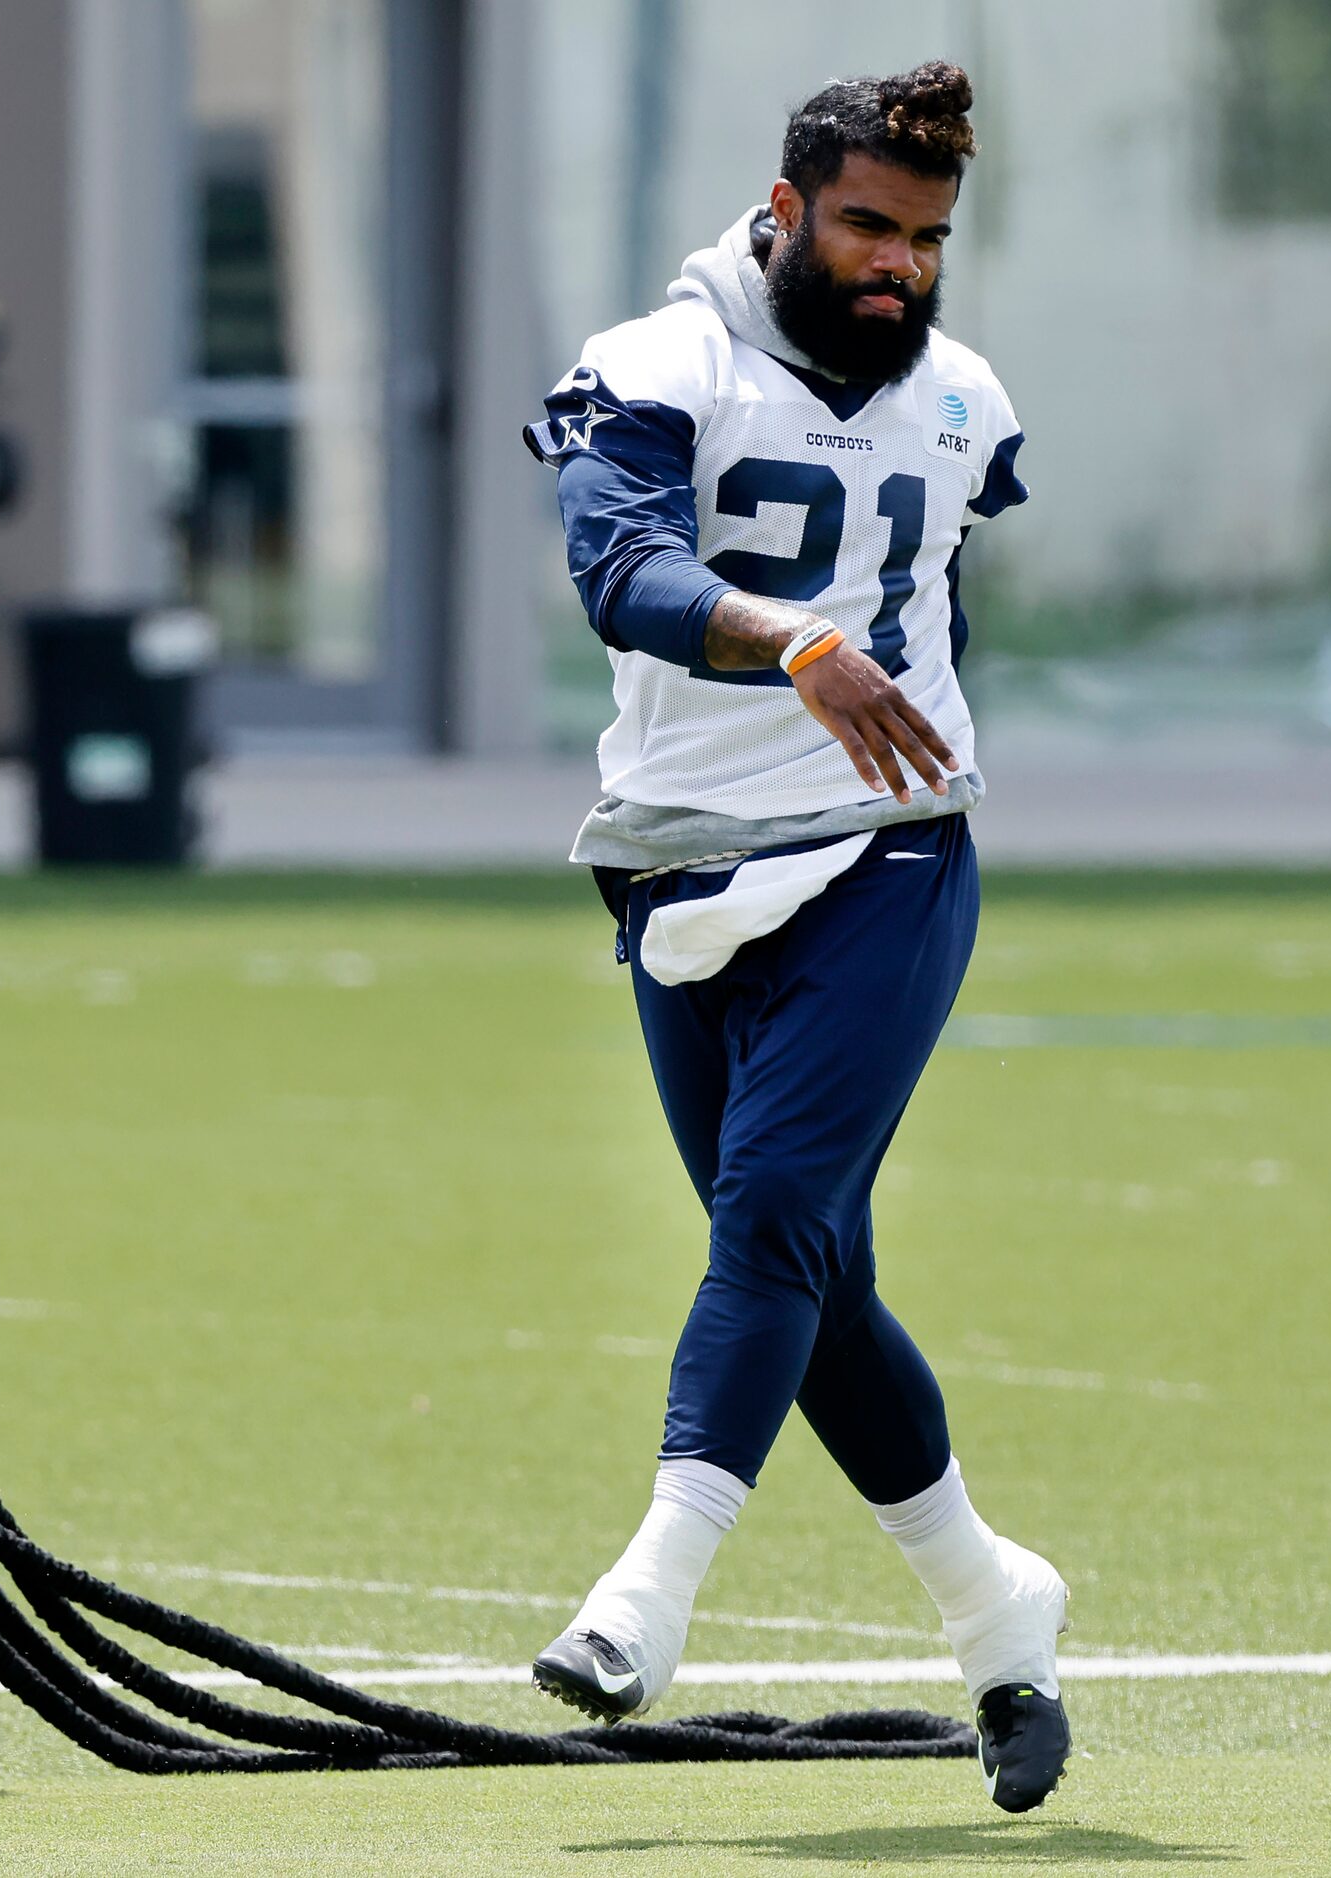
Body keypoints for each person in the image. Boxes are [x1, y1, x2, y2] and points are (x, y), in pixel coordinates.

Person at [520, 65, 1070, 1812]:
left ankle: (646, 1592)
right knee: (814, 1280)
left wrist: (885, 695)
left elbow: (936, 611)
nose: (900, 264)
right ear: (784, 209)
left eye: (926, 237)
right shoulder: (664, 361)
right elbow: (618, 569)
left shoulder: (963, 396)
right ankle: (994, 1602)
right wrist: (799, 647)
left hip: (892, 853)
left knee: (770, 1219)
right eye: (867, 225)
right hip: (680, 862)